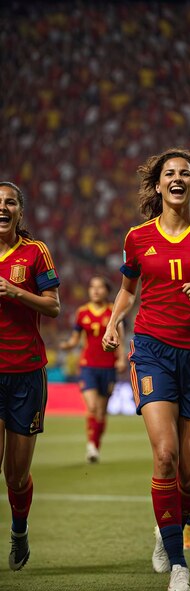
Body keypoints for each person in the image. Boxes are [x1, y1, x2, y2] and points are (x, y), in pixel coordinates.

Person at [102, 148, 190, 591]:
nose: (177, 178)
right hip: (152, 352)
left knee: (189, 473)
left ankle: (164, 526)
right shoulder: (138, 237)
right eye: (170, 173)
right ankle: (178, 562)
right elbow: (128, 291)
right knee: (164, 455)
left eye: (185, 173)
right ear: (158, 185)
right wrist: (113, 322)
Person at [0, 181, 60, 571]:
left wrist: (14, 292)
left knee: (16, 477)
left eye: (9, 202)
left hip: (26, 374)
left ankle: (19, 530)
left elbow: (53, 307)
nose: (2, 208)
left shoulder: (35, 253)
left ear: (20, 211)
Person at [59, 276, 126, 463]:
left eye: (99, 287)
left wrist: (120, 359)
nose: (95, 290)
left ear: (106, 290)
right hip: (88, 365)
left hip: (108, 367)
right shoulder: (81, 312)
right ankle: (91, 446)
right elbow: (75, 339)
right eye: (92, 287)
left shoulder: (113, 311)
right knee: (92, 407)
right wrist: (67, 345)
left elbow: (118, 338)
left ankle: (95, 444)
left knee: (101, 412)